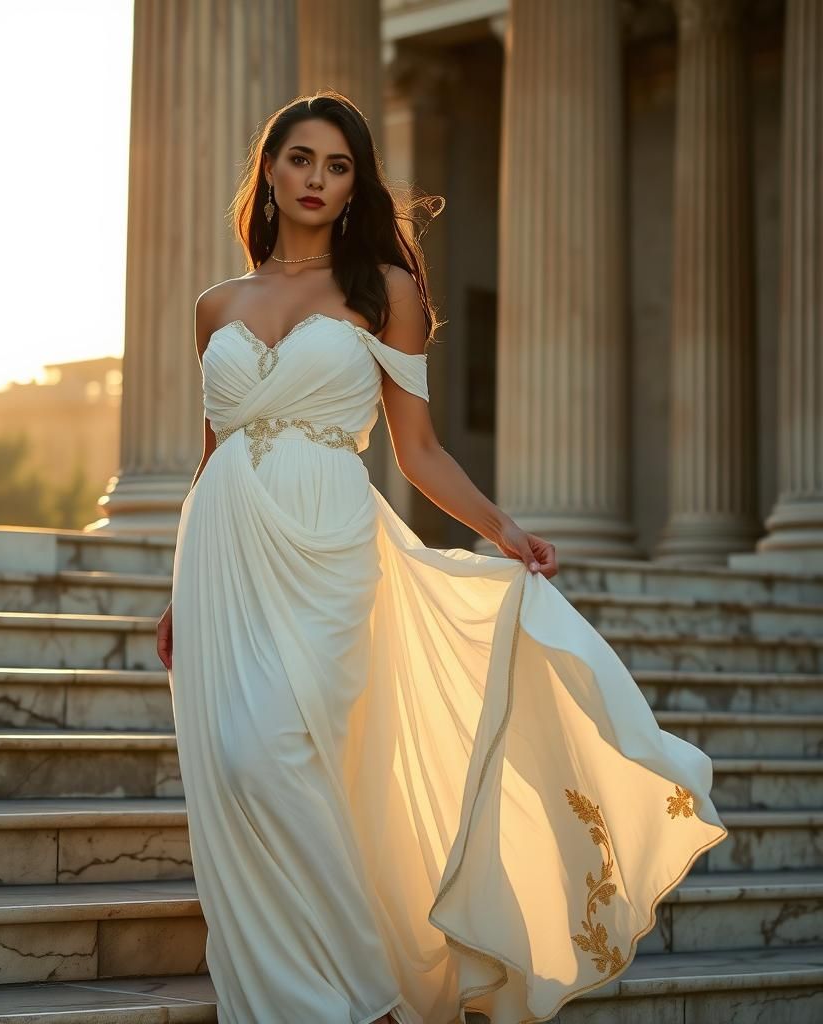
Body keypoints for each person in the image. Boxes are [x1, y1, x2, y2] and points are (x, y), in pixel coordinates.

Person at [157, 91, 727, 1024]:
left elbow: (415, 449)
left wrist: (501, 527)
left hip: (328, 543)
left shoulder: (385, 288)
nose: (317, 180)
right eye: (301, 160)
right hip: (223, 551)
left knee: (276, 755)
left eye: (338, 167)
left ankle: (367, 996)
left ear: (356, 186)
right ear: (270, 170)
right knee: (230, 760)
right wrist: (179, 593)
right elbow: (211, 454)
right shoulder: (216, 303)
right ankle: (301, 990)